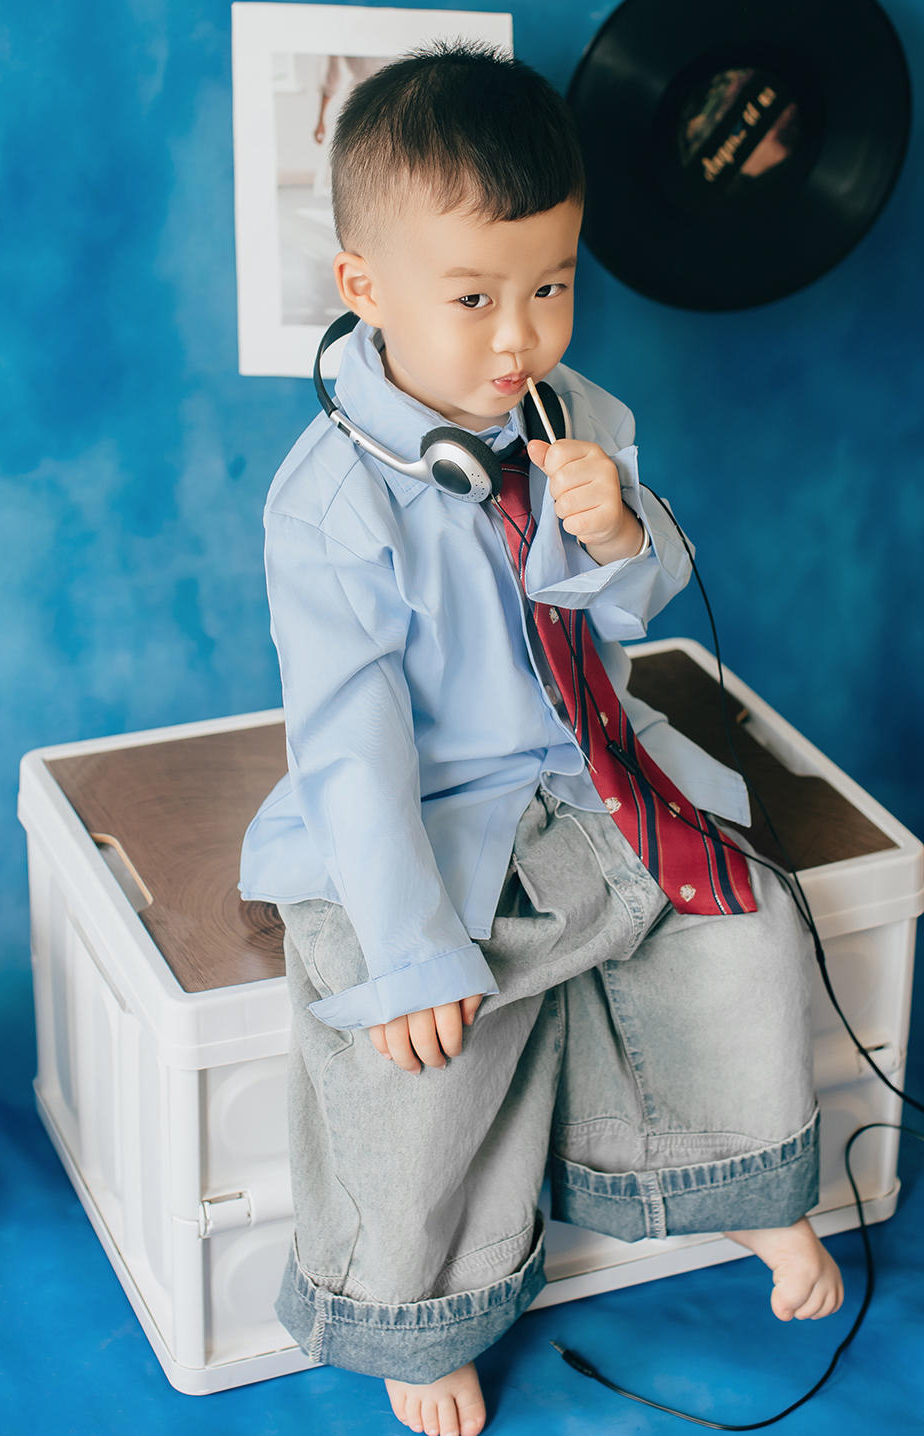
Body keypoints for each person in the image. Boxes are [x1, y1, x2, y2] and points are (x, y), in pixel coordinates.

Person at [239, 41, 843, 1436]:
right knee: (427, 1049)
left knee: (740, 927)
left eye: (551, 287)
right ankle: (419, 1314)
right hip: (429, 809)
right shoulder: (330, 504)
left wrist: (621, 531)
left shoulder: (581, 417)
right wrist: (408, 947)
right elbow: (351, 741)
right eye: (474, 299)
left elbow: (628, 601)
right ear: (363, 288)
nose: (519, 339)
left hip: (586, 765)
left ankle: (740, 1185)